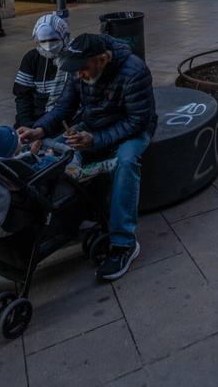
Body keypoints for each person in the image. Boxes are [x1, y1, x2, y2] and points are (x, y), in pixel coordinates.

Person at [17, 33, 156, 281]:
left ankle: (124, 243)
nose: (78, 75)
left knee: (126, 163)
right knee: (52, 152)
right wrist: (40, 129)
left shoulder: (134, 71)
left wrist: (96, 140)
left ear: (102, 59)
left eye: (82, 70)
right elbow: (64, 106)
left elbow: (138, 121)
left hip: (131, 129)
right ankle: (57, 221)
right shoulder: (79, 69)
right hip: (92, 126)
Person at [13, 14, 72, 128]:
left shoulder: (74, 58)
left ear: (64, 36)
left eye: (54, 40)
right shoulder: (32, 58)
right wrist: (26, 123)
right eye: (43, 41)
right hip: (36, 118)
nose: (49, 46)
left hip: (66, 121)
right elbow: (23, 95)